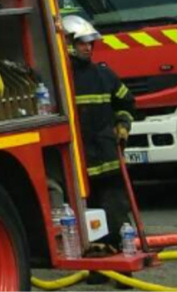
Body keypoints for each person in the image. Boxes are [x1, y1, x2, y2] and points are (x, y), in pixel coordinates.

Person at [63, 16, 137, 253]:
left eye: (90, 43)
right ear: (66, 43)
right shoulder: (62, 80)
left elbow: (126, 102)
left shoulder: (104, 76)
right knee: (85, 222)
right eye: (82, 43)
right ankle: (97, 265)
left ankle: (122, 261)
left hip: (107, 161)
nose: (88, 47)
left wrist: (123, 124)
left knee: (116, 214)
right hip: (78, 166)